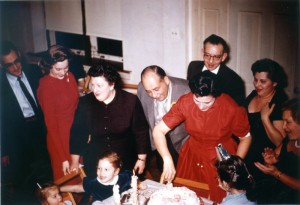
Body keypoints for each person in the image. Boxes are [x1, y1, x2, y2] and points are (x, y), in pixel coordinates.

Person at [153, 71, 251, 203]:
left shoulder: (230, 107)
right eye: (197, 100)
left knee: (219, 198)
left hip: (220, 157)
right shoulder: (186, 101)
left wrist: (234, 166)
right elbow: (158, 131)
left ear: (215, 96)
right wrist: (167, 158)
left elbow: (245, 138)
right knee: (186, 197)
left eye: (206, 103)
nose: (200, 106)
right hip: (192, 154)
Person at [69, 63, 150, 178]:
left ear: (112, 85)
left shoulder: (130, 101)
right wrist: (75, 161)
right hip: (96, 160)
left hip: (126, 158)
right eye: (92, 85)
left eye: (99, 85)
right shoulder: (85, 103)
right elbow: (77, 133)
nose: (94, 90)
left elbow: (141, 131)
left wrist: (141, 159)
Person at [0, 40, 52, 204]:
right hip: (17, 135)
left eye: (17, 61)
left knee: (46, 171)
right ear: (1, 65)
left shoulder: (35, 72)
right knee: (24, 179)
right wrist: (4, 150)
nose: (15, 68)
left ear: (20, 56)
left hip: (40, 128)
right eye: (9, 65)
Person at [37, 45, 79, 180]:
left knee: (82, 175)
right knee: (68, 180)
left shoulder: (70, 76)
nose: (63, 72)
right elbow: (51, 126)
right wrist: (63, 158)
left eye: (66, 68)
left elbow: (76, 107)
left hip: (76, 133)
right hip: (60, 139)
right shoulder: (45, 87)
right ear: (49, 66)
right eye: (58, 69)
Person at [137, 65, 190, 172]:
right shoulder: (142, 89)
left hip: (182, 140)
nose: (153, 95)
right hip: (157, 137)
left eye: (156, 89)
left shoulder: (185, 90)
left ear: (165, 80)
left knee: (184, 176)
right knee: (164, 171)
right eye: (149, 91)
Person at [244, 58, 288, 181]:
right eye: (255, 79)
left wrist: (265, 118)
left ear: (274, 83)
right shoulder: (253, 94)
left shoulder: (279, 101)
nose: (257, 85)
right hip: (246, 155)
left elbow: (280, 142)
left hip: (264, 162)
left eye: (263, 81)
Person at [253, 98, 300, 204]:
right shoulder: (288, 140)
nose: (284, 127)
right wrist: (271, 162)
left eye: (288, 122)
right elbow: (274, 162)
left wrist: (276, 173)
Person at [61, 151, 145, 204]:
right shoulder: (94, 184)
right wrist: (59, 189)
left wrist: (139, 184)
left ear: (116, 172)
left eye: (106, 169)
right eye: (99, 168)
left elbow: (132, 179)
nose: (101, 173)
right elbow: (76, 188)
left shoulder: (124, 177)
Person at [187, 34, 245, 105]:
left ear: (223, 57)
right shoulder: (193, 67)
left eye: (217, 57)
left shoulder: (235, 81)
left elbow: (238, 112)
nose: (211, 61)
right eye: (207, 55)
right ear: (202, 52)